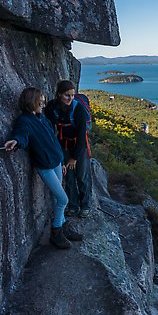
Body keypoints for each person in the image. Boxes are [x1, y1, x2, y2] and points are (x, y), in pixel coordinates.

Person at [4, 87, 83, 250]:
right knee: (63, 199)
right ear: (32, 101)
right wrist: (16, 142)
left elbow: (53, 141)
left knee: (57, 198)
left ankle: (62, 225)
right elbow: (22, 135)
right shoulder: (24, 121)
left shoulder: (42, 118)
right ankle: (56, 232)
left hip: (55, 162)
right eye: (40, 100)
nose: (43, 103)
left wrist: (61, 161)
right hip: (45, 166)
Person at [44, 80, 93, 219]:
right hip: (63, 144)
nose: (70, 98)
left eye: (72, 95)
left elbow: (82, 135)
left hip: (79, 145)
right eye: (67, 95)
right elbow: (49, 126)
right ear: (59, 94)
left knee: (82, 176)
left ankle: (85, 206)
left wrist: (74, 158)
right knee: (69, 178)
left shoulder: (78, 109)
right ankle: (73, 205)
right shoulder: (52, 108)